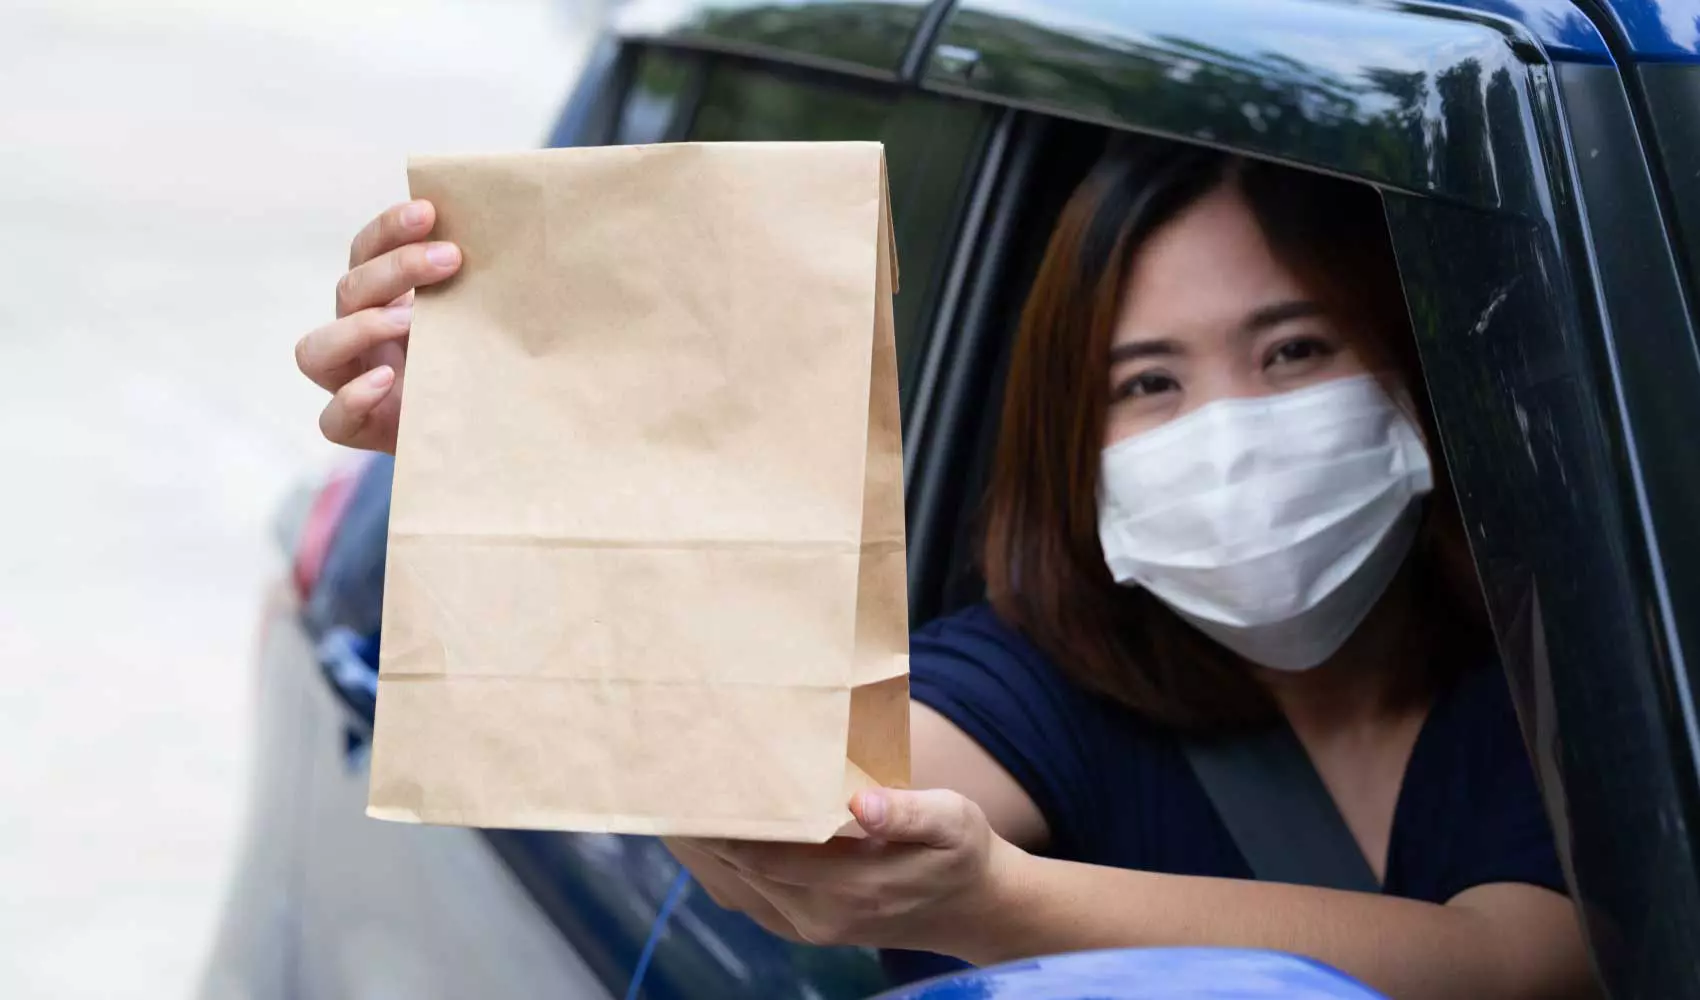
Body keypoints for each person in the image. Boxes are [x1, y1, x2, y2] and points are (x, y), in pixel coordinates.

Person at [295, 137, 1595, 999]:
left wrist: (1002, 900)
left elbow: (1516, 967)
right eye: (1148, 383)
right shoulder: (1036, 686)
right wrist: (517, 460)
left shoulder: (1585, 662)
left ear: (1417, 380)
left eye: (1295, 352)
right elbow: (780, 803)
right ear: (1070, 448)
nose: (1230, 433)